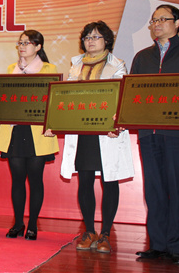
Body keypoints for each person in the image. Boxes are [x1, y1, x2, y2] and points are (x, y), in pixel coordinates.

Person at [51, 21, 134, 254]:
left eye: (96, 37)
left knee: (110, 180)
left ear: (107, 41)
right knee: (85, 180)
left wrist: (115, 123)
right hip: (83, 131)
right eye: (87, 37)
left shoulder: (118, 65)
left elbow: (121, 97)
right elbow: (67, 97)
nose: (90, 41)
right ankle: (89, 231)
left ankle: (105, 233)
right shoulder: (75, 66)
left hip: (107, 132)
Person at [130, 5, 179, 266]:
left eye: (162, 19)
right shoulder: (142, 57)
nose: (156, 24)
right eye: (153, 20)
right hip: (149, 132)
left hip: (178, 132)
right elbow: (132, 93)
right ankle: (157, 244)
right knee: (154, 189)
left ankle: (178, 247)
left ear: (177, 23)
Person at [0, 30, 59, 241]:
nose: (22, 46)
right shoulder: (11, 69)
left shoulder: (49, 69)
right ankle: (18, 223)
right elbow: (2, 99)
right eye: (20, 43)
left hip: (38, 131)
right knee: (17, 180)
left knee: (35, 180)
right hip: (15, 130)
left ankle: (33, 224)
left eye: (27, 43)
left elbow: (53, 101)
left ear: (38, 47)